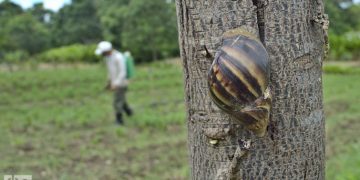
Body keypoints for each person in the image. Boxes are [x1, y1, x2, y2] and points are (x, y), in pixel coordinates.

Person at [95, 41, 133, 125]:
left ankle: (119, 120)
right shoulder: (108, 58)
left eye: (103, 53)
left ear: (108, 50)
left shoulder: (119, 57)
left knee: (117, 102)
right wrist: (109, 82)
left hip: (121, 83)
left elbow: (123, 72)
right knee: (121, 99)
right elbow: (110, 71)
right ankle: (129, 112)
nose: (102, 54)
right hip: (114, 82)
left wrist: (115, 84)